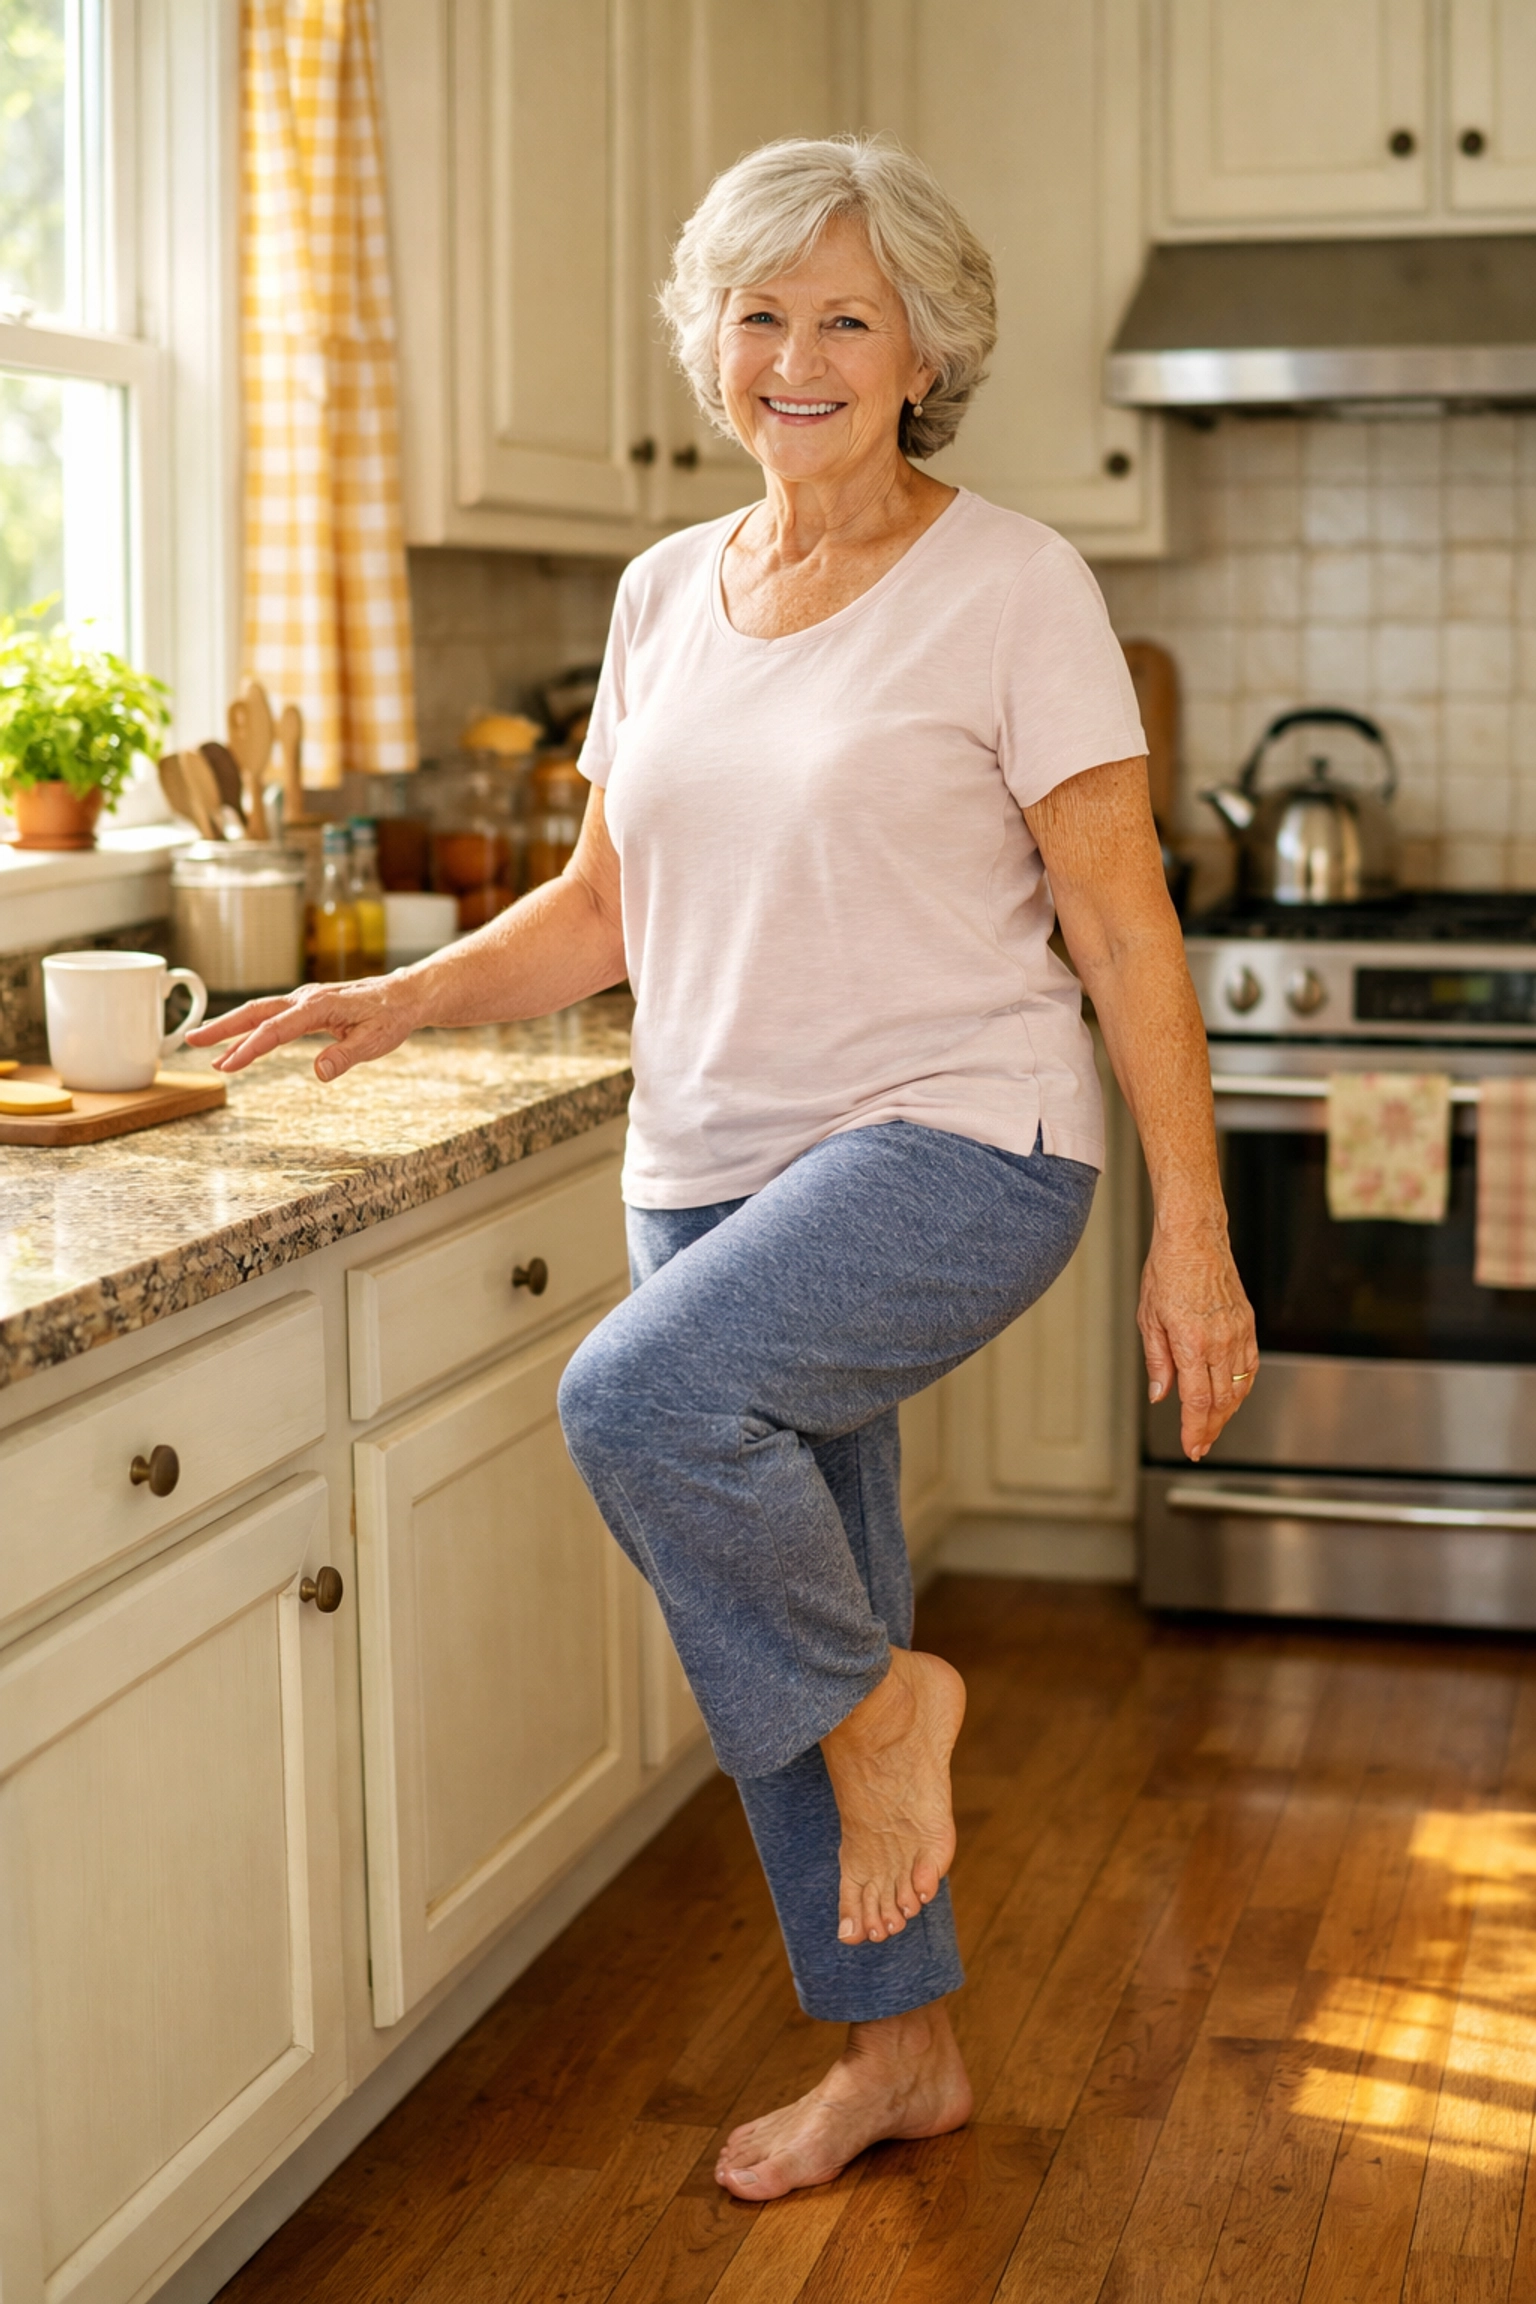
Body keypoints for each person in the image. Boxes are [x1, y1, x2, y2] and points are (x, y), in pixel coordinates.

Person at [190, 134, 1258, 2204]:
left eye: (846, 315)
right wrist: (388, 1002)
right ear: (709, 341)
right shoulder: (665, 590)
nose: (797, 355)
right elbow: (604, 910)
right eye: (759, 312)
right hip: (705, 1159)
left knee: (648, 1407)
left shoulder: (1015, 582)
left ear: (924, 346)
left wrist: (1191, 1234)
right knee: (792, 1610)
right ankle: (902, 2052)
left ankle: (889, 1718)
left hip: (959, 1139)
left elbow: (1126, 928)